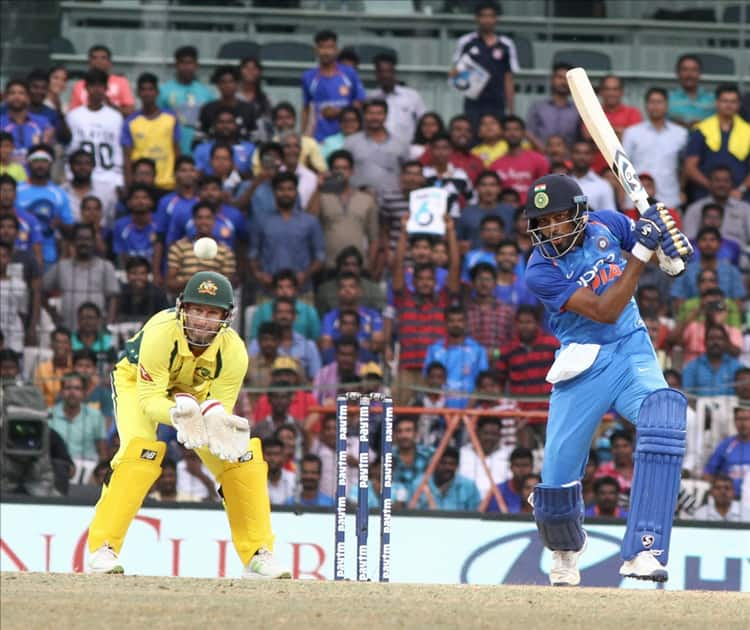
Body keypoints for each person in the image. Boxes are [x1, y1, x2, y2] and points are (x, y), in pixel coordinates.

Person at [521, 172, 694, 584]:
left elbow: (655, 248)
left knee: (664, 417)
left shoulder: (610, 224)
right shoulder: (540, 270)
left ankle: (645, 549)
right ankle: (565, 546)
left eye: (557, 219)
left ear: (579, 213)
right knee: (555, 484)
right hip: (583, 363)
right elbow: (604, 310)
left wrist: (669, 245)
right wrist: (642, 252)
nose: (549, 229)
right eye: (541, 222)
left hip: (631, 347)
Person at [84, 271, 289, 577]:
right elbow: (151, 400)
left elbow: (219, 406)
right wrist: (179, 415)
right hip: (137, 382)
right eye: (196, 310)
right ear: (183, 308)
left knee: (241, 457)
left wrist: (214, 421)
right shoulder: (160, 332)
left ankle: (257, 554)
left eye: (211, 313)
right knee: (141, 452)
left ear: (226, 316)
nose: (202, 321)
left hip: (196, 394)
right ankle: (102, 549)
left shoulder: (234, 352)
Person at [391, 214, 461, 403]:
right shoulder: (404, 299)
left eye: (429, 279)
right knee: (401, 416)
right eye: (421, 279)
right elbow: (397, 265)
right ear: (413, 281)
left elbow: (455, 267)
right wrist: (404, 232)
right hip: (406, 369)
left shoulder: (442, 301)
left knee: (433, 417)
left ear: (435, 281)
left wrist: (451, 232)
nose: (425, 283)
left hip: (434, 372)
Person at [248, 172, 324, 296]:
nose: (286, 193)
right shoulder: (261, 221)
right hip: (268, 290)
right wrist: (260, 275)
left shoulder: (310, 222)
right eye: (281, 189)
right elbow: (253, 254)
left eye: (290, 189)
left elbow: (320, 257)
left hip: (302, 290)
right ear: (274, 192)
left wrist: (305, 275)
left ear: (296, 192)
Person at [450, 1, 518, 130]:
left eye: (491, 16)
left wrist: (511, 110)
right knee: (473, 136)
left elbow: (509, 79)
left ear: (496, 19)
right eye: (483, 16)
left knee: (497, 139)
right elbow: (454, 72)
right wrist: (463, 77)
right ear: (476, 18)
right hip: (473, 102)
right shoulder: (466, 42)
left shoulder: (506, 44)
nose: (487, 20)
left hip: (497, 101)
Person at [42, 222, 119, 330]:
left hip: (98, 334)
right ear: (73, 242)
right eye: (80, 239)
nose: (84, 243)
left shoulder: (106, 266)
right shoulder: (62, 267)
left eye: (88, 239)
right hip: (69, 333)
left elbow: (113, 298)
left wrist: (109, 325)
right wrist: (54, 315)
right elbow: (40, 290)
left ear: (93, 241)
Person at [312, 149, 379, 271]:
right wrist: (318, 189)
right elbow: (309, 221)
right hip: (328, 266)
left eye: (345, 168)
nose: (340, 172)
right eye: (336, 168)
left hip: (358, 267)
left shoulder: (367, 200)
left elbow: (374, 239)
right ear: (330, 171)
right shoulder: (322, 197)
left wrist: (369, 268)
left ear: (352, 171)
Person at [622, 88, 688, 209]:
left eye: (659, 102)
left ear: (667, 105)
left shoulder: (680, 134)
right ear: (646, 105)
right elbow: (622, 167)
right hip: (637, 199)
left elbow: (685, 166)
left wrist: (682, 189)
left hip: (670, 198)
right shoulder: (632, 133)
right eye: (652, 102)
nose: (655, 106)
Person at [684, 84, 750, 203]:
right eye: (725, 101)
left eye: (733, 101)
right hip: (705, 197)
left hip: (739, 198)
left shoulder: (748, 131)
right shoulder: (701, 130)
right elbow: (690, 167)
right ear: (717, 103)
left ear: (739, 105)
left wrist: (741, 189)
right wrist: (712, 187)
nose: (729, 105)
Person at [301, 30, 366, 143]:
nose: (326, 52)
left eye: (330, 47)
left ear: (336, 50)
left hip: (347, 137)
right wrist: (304, 137)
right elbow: (306, 108)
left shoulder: (349, 74)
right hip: (320, 139)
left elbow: (359, 102)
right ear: (316, 51)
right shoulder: (308, 77)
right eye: (322, 47)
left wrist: (339, 112)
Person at [15, 144, 73, 268]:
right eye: (36, 161)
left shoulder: (60, 194)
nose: (40, 165)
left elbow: (70, 229)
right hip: (18, 253)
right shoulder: (16, 190)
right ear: (28, 163)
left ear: (51, 164)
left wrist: (60, 224)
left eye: (44, 161)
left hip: (49, 256)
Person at [121, 73, 181, 192]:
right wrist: (129, 185)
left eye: (150, 89)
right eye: (143, 90)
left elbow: (176, 151)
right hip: (141, 185)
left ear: (157, 92)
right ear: (138, 93)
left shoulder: (171, 118)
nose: (147, 93)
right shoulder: (130, 122)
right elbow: (127, 157)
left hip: (167, 183)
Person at [423, 306, 488, 409]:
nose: (456, 324)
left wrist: (468, 409)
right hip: (439, 410)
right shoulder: (434, 350)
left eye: (460, 321)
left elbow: (484, 383)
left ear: (466, 323)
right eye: (451, 321)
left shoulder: (478, 350)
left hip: (470, 411)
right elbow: (427, 381)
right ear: (445, 323)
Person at [345, 99, 410, 198]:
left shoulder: (400, 143)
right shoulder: (351, 142)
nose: (374, 117)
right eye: (370, 113)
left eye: (379, 113)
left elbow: (408, 172)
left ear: (386, 115)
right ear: (364, 115)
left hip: (393, 200)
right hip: (359, 200)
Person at [166, 203, 236, 293]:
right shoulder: (178, 247)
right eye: (200, 218)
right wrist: (198, 282)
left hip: (212, 303)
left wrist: (196, 282)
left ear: (214, 220)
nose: (204, 222)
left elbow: (226, 286)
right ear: (194, 220)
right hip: (184, 301)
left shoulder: (226, 251)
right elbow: (170, 283)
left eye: (208, 218)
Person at [158, 46, 215, 155]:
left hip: (199, 150)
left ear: (196, 65)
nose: (186, 67)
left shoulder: (206, 93)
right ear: (176, 65)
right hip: (171, 149)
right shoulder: (163, 91)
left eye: (190, 63)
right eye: (182, 63)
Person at [682, 165, 750, 244]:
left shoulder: (745, 209)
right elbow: (689, 242)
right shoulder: (694, 209)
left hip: (739, 255)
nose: (721, 184)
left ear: (732, 184)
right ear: (709, 182)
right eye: (717, 180)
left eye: (726, 181)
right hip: (703, 254)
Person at [249, 269, 321, 342]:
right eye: (280, 287)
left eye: (289, 287)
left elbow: (316, 341)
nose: (284, 291)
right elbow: (254, 340)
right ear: (274, 290)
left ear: (296, 290)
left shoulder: (309, 312)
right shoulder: (262, 311)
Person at [368, 52, 426, 143]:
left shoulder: (412, 96)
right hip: (378, 150)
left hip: (407, 150)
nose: (384, 75)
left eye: (388, 71)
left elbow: (424, 122)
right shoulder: (371, 98)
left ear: (394, 72)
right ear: (376, 74)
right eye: (381, 72)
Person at [489, 116, 549, 204]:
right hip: (504, 212)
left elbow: (545, 188)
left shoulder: (538, 160)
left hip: (532, 210)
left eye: (516, 129)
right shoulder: (495, 165)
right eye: (508, 130)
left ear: (524, 133)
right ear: (502, 133)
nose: (512, 133)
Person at [525, 62, 580, 150]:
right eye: (559, 77)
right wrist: (544, 150)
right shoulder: (538, 107)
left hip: (568, 160)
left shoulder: (577, 110)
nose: (563, 82)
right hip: (541, 157)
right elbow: (528, 132)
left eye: (566, 79)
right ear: (552, 79)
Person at [68, 45, 135, 116]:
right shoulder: (79, 85)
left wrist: (109, 104)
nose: (98, 61)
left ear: (109, 62)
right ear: (89, 62)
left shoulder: (121, 82)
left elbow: (129, 111)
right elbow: (72, 114)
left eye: (103, 58)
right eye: (94, 58)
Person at [0, 79, 54, 165]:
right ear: (6, 98)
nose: (16, 97)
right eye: (12, 93)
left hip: (35, 175)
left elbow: (49, 154)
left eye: (21, 93)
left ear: (28, 98)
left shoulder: (42, 122)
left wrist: (47, 141)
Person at [457, 171, 515, 248]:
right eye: (483, 185)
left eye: (492, 185)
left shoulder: (510, 212)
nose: (488, 189)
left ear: (499, 188)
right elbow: (458, 240)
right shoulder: (466, 213)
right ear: (476, 188)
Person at [199, 66, 257, 141]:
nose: (227, 85)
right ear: (217, 85)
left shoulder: (248, 109)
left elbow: (255, 137)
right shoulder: (208, 109)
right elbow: (200, 136)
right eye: (223, 82)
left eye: (231, 82)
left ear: (237, 84)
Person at [682, 325, 744, 397]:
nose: (715, 342)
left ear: (726, 342)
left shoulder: (736, 367)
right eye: (711, 338)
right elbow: (688, 396)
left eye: (719, 338)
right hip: (698, 407)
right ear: (705, 342)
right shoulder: (692, 367)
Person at [703, 406, 750, 501]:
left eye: (747, 419)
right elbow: (708, 473)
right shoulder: (725, 444)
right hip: (728, 501)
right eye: (739, 419)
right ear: (734, 421)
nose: (743, 423)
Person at [414, 447, 481, 512]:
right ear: (434, 464)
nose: (447, 467)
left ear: (457, 466)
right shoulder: (419, 484)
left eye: (452, 464)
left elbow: (476, 516)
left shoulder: (469, 487)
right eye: (443, 463)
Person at [668, 54, 716, 129]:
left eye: (694, 70)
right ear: (677, 73)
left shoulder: (713, 100)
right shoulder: (667, 99)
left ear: (700, 73)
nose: (689, 74)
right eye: (685, 70)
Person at [26, 69, 70, 146]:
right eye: (35, 87)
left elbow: (66, 139)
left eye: (43, 88)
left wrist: (59, 111)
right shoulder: (16, 111)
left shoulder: (52, 114)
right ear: (27, 88)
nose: (39, 91)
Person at [569, 140, 616, 211]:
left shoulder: (603, 185)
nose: (582, 157)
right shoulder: (563, 183)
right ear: (571, 155)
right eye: (577, 153)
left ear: (593, 157)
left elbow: (610, 216)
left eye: (586, 153)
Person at [485, 447, 534, 513]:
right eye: (517, 465)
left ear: (532, 467)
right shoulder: (498, 491)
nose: (521, 470)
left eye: (525, 465)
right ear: (510, 467)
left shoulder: (541, 491)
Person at [33, 327, 72, 406]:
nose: (61, 345)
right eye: (58, 342)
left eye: (65, 342)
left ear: (70, 345)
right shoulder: (42, 369)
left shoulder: (76, 366)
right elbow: (37, 396)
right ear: (51, 345)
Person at [598, 74, 643, 139]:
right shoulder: (592, 113)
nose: (611, 93)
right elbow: (587, 134)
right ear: (601, 92)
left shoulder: (633, 113)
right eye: (607, 89)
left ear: (622, 92)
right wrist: (619, 131)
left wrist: (600, 132)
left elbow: (636, 137)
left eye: (615, 89)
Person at [263, 437, 296, 506]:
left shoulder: (293, 479)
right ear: (262, 456)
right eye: (269, 454)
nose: (272, 458)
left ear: (283, 456)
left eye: (276, 454)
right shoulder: (256, 481)